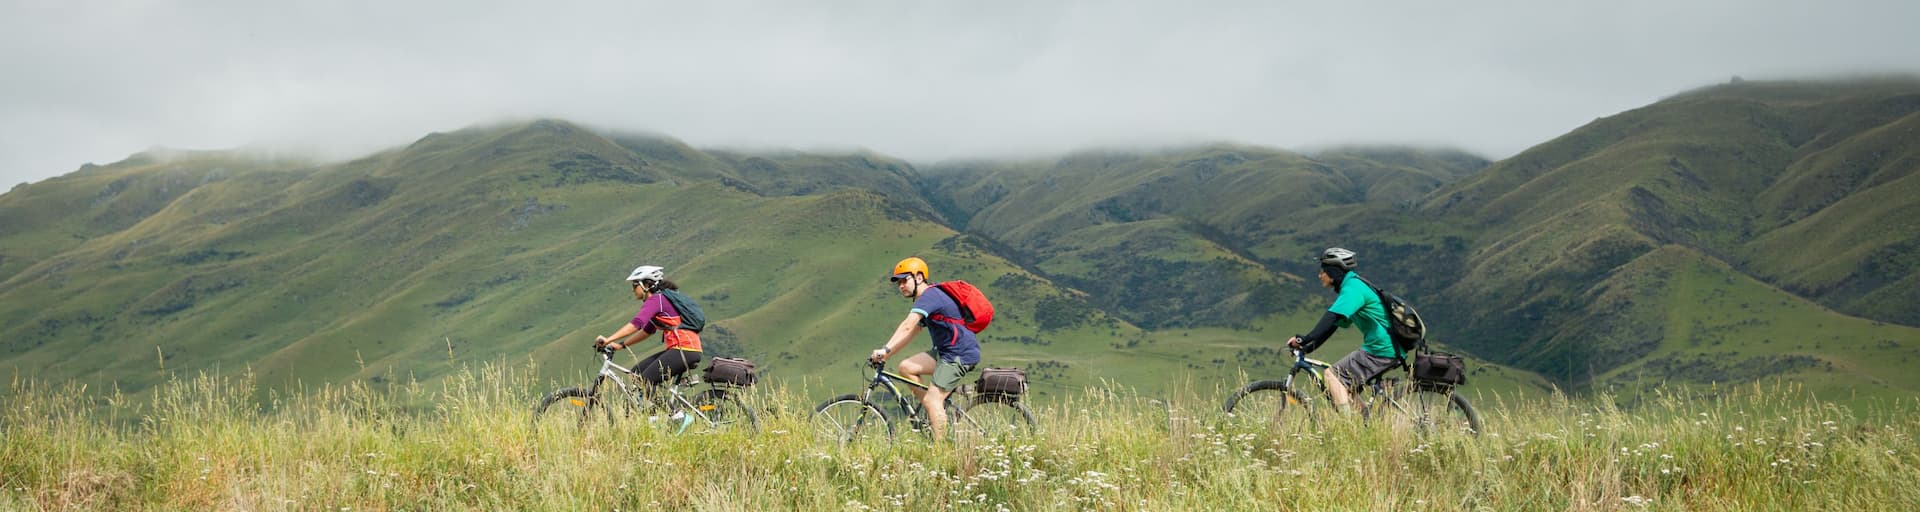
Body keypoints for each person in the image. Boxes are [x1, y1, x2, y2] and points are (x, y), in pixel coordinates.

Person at [868, 256, 981, 441]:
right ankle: (935, 413)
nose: (901, 286)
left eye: (905, 280)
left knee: (932, 400)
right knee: (906, 367)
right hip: (945, 352)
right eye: (898, 283)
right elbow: (912, 331)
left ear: (919, 277)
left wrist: (884, 350)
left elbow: (907, 325)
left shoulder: (930, 296)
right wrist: (887, 354)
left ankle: (941, 451)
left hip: (959, 354)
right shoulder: (926, 299)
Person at [1287, 247, 1397, 412]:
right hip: (1385, 348)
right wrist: (1309, 347)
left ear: (1332, 271)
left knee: (1333, 376)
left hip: (1381, 349)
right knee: (1346, 388)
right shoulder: (1353, 286)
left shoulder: (1353, 289)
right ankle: (1364, 424)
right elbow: (1333, 324)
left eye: (1322, 271)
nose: (1319, 275)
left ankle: (1346, 428)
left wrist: (1304, 338)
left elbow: (1330, 317)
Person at [593, 265, 703, 410]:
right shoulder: (659, 301)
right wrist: (621, 345)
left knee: (645, 381)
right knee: (636, 373)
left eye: (634, 285)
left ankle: (677, 417)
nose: (633, 290)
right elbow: (647, 330)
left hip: (685, 349)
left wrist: (608, 339)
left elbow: (637, 324)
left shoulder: (656, 300)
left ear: (646, 285)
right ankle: (653, 412)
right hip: (682, 349)